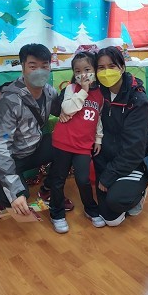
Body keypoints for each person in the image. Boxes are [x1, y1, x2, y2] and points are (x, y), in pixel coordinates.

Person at [0, 43, 74, 219]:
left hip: (31, 149)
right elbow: (0, 145)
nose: (40, 71)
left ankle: (48, 191)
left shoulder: (49, 92)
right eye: (33, 66)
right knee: (15, 197)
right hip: (2, 157)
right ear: (22, 67)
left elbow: (61, 110)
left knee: (67, 146)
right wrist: (15, 191)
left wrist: (79, 93)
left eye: (44, 66)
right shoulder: (9, 99)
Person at [93, 46, 148, 226]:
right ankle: (118, 186)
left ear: (122, 67)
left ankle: (139, 191)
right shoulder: (98, 92)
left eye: (111, 66)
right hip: (106, 159)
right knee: (110, 218)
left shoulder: (137, 101)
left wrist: (108, 176)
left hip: (132, 161)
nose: (106, 72)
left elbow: (134, 150)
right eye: (101, 67)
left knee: (115, 204)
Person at [47, 51, 106, 233]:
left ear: (94, 70)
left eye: (87, 69)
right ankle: (56, 213)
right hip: (63, 142)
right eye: (78, 71)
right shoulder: (72, 89)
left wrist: (98, 139)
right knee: (58, 180)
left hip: (83, 146)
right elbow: (67, 109)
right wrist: (84, 91)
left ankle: (91, 209)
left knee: (83, 179)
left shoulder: (100, 95)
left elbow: (98, 118)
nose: (83, 74)